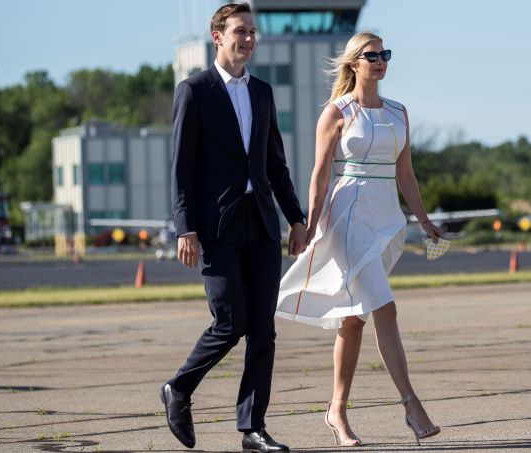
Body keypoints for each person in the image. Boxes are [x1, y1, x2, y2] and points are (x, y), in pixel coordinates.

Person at [276, 32, 442, 447]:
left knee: (353, 320)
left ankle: (336, 409)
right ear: (354, 63)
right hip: (348, 216)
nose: (381, 61)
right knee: (385, 308)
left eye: (385, 54)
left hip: (386, 218)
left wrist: (424, 220)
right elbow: (319, 174)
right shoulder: (336, 112)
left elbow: (406, 174)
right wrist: (309, 225)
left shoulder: (398, 113)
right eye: (372, 56)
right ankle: (411, 404)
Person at [161, 3, 306, 452]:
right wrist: (185, 229)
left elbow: (274, 163)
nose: (248, 39)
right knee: (230, 322)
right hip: (216, 227)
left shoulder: (262, 92)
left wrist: (296, 217)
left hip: (261, 222)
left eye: (252, 32)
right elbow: (181, 169)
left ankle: (252, 429)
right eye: (240, 31)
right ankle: (179, 388)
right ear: (217, 35)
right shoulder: (195, 90)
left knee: (263, 328)